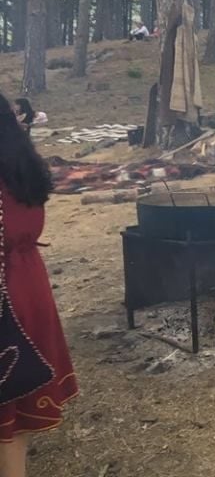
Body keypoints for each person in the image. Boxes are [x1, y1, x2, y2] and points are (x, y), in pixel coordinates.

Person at [0, 93, 78, 476]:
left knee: (6, 403)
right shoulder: (23, 165)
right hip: (30, 285)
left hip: (6, 291)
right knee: (15, 406)